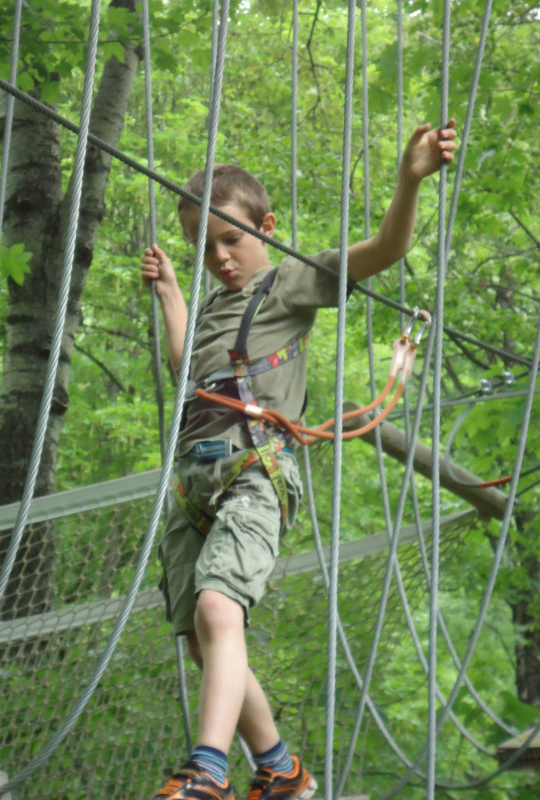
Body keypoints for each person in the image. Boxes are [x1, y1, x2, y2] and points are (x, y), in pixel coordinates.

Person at [141, 120, 458, 800]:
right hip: (194, 484)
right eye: (204, 246)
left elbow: (384, 250)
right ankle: (281, 769)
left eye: (231, 239)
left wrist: (409, 181)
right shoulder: (212, 308)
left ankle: (208, 770)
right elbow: (188, 369)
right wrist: (171, 294)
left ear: (266, 228)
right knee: (200, 637)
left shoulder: (287, 284)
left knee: (219, 609)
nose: (220, 257)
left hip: (254, 474)